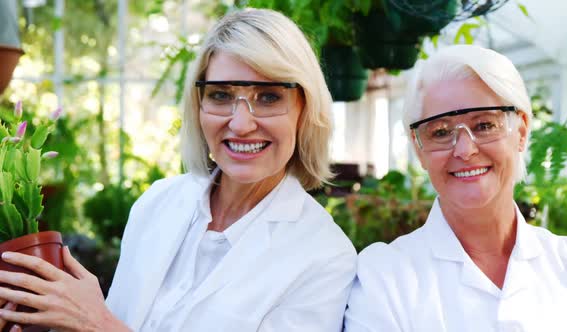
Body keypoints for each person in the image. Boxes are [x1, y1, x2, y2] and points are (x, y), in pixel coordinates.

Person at [0, 8, 357, 331]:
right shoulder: (158, 201)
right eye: (221, 95)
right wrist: (51, 316)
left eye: (268, 97)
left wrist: (97, 324)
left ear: (304, 110)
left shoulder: (324, 256)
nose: (241, 123)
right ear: (198, 105)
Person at [344, 44, 567, 331]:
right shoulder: (384, 279)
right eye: (440, 132)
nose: (464, 149)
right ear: (418, 148)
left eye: (485, 125)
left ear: (521, 132)